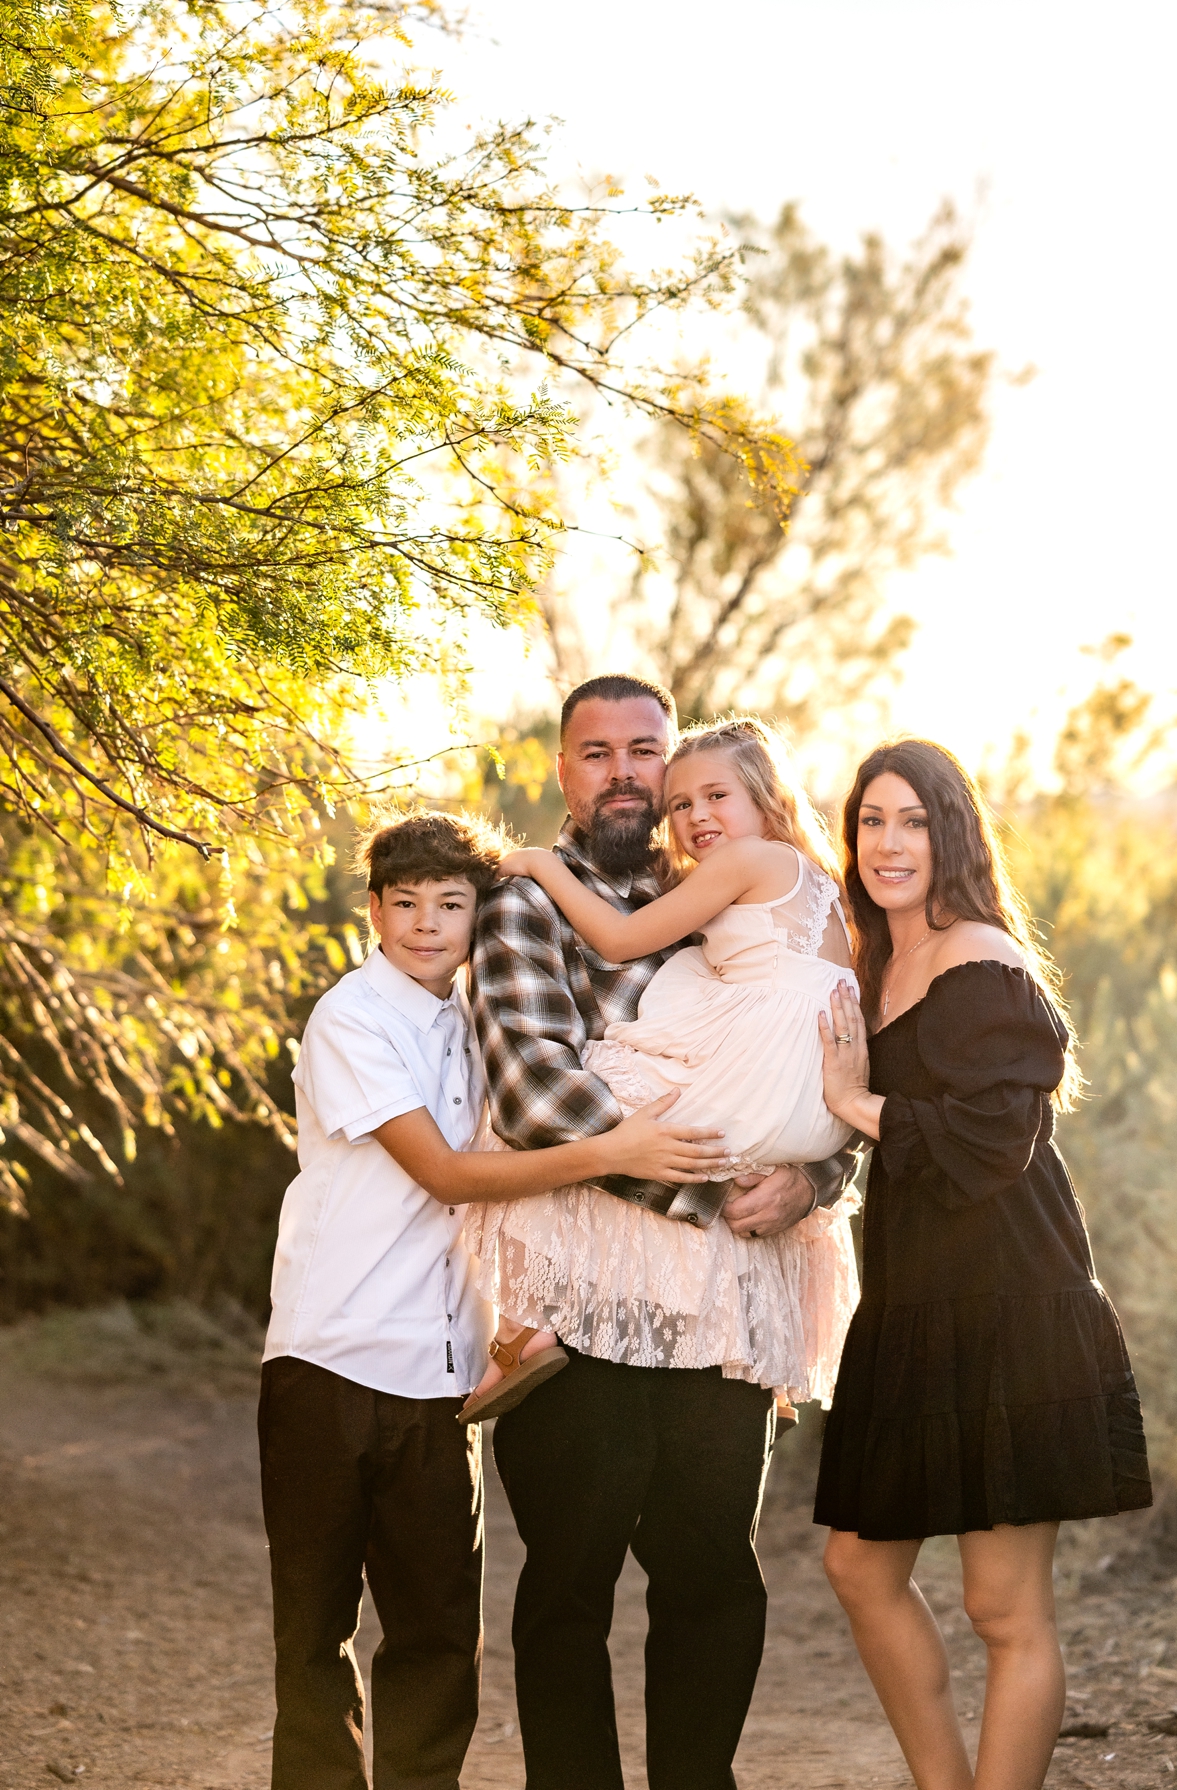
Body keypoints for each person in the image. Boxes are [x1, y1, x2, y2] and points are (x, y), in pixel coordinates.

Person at [257, 810, 726, 1790]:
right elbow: (444, 1172)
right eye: (405, 903)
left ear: (481, 913)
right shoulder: (352, 1017)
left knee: (437, 1642)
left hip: (442, 1381)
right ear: (375, 909)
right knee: (313, 1631)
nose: (426, 923)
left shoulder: (479, 1021)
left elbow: (520, 1161)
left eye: (451, 903)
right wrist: (613, 1150)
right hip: (328, 1360)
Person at [469, 675, 860, 1790]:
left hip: (724, 1305)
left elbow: (818, 1070)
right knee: (570, 1579)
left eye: (647, 748)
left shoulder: (727, 892)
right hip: (587, 1292)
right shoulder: (526, 906)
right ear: (564, 770)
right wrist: (719, 1193)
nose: (626, 772)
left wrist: (814, 1175)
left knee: (710, 1572)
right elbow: (538, 1093)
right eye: (598, 752)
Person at [812, 739, 1153, 1790]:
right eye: (872, 819)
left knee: (1003, 1607)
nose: (888, 841)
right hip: (916, 1300)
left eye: (913, 819)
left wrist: (853, 1103)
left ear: (953, 833)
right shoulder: (877, 962)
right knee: (858, 1565)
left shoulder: (979, 958)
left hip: (1010, 1303)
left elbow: (992, 1141)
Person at [460, 714, 861, 1428]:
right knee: (574, 1105)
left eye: (716, 797)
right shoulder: (817, 879)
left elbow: (617, 938)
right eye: (681, 805)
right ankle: (760, 1348)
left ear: (767, 798)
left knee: (606, 1083)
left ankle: (524, 1321)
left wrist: (541, 865)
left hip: (763, 1091)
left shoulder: (742, 864)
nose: (695, 815)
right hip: (813, 1107)